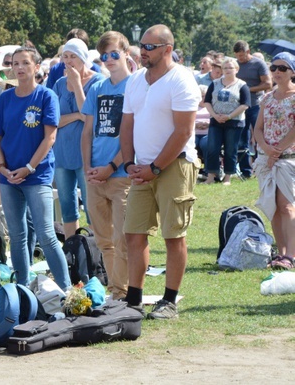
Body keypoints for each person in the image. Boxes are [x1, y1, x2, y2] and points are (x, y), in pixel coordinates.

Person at [120, 24, 200, 320]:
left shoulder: (182, 80)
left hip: (175, 166)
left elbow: (183, 131)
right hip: (142, 168)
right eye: (142, 46)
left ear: (168, 49)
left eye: (150, 47)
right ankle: (134, 299)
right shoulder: (136, 80)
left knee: (173, 235)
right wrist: (130, 164)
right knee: (134, 233)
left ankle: (169, 300)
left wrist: (155, 168)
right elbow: (126, 125)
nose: (143, 51)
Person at [0, 46, 71, 290]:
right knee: (17, 234)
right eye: (15, 63)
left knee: (46, 234)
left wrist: (29, 168)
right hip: (8, 176)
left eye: (25, 63)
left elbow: (50, 138)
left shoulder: (46, 96)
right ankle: (23, 288)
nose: (20, 68)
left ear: (36, 68)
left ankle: (66, 290)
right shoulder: (5, 98)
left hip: (37, 175)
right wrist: (2, 167)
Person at [80, 31, 132, 299]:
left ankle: (122, 292)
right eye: (104, 56)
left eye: (114, 54)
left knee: (124, 239)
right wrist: (88, 168)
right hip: (94, 176)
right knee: (103, 240)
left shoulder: (135, 85)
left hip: (122, 174)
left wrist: (111, 167)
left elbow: (135, 136)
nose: (109, 59)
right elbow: (87, 131)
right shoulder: (97, 87)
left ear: (126, 53)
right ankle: (115, 289)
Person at [52, 38, 103, 237]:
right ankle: (73, 250)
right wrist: (77, 116)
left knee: (91, 204)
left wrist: (76, 84)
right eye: (65, 56)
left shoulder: (97, 81)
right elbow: (54, 119)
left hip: (86, 152)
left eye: (73, 56)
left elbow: (88, 112)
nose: (69, 61)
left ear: (83, 58)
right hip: (62, 152)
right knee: (66, 203)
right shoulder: (58, 83)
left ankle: (94, 249)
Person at [253, 52, 295, 270]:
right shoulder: (267, 97)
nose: (277, 72)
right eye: (274, 68)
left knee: (287, 205)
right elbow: (258, 128)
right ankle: (281, 252)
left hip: (289, 160)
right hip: (267, 159)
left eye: (282, 68)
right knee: (273, 206)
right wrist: (267, 149)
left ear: (292, 72)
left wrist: (277, 151)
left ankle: (291, 255)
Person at [202, 58, 251, 185]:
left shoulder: (242, 85)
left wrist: (229, 116)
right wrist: (214, 115)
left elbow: (245, 105)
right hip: (216, 121)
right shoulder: (215, 83)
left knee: (230, 150)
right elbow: (207, 101)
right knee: (212, 148)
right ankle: (211, 176)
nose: (228, 70)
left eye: (230, 68)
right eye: (225, 68)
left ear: (236, 69)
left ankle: (228, 177)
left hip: (234, 122)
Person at [234, 40, 272, 178]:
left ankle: (263, 165)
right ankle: (246, 171)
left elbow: (268, 83)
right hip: (240, 105)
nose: (240, 59)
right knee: (241, 138)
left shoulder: (258, 64)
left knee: (260, 134)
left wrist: (247, 89)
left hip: (256, 104)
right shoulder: (235, 65)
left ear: (248, 52)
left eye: (242, 56)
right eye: (237, 56)